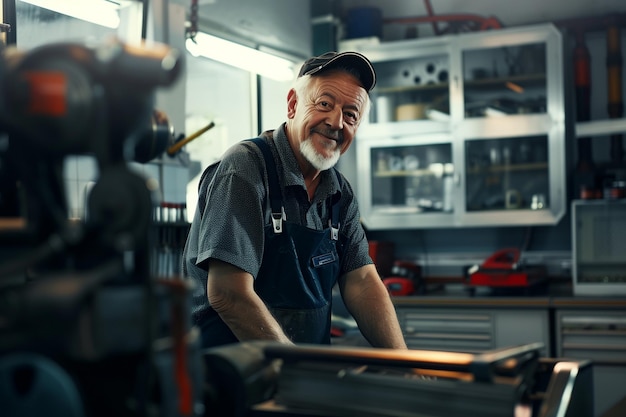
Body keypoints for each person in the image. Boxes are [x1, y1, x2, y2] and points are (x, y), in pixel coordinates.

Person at [182, 51, 407, 349]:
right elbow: (227, 293)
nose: (336, 122)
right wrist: (295, 367)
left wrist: (405, 362)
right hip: (231, 371)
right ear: (292, 105)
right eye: (325, 104)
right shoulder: (246, 168)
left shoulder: (339, 192)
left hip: (301, 369)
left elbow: (361, 281)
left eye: (351, 115)